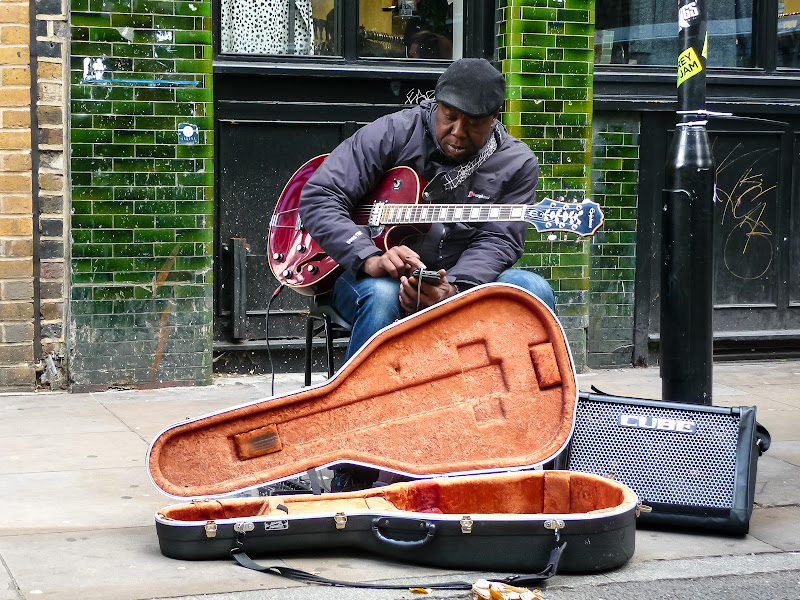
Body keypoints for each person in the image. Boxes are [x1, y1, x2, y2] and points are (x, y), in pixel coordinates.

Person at [299, 58, 555, 362]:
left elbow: (499, 240)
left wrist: (452, 290)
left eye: (473, 123)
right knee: (382, 296)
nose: (458, 132)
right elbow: (320, 195)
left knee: (532, 290)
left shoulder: (516, 163)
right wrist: (369, 257)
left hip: (460, 283)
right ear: (437, 104)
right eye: (449, 117)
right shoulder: (395, 131)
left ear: (495, 118)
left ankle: (513, 404)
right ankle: (362, 407)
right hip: (370, 273)